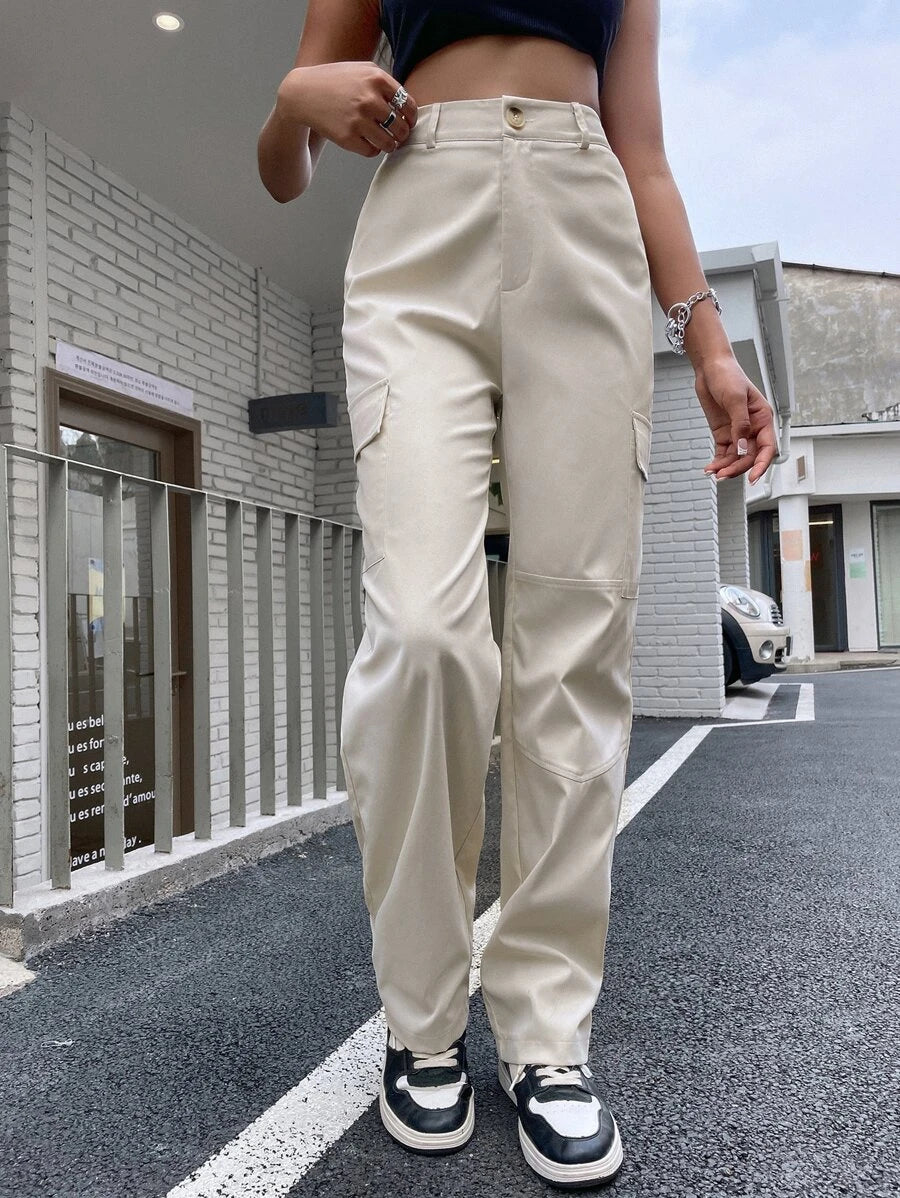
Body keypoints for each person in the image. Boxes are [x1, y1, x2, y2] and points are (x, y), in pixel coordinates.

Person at [258, 0, 777, 1188]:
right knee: (424, 636)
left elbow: (643, 149)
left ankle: (547, 1035)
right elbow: (286, 163)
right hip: (419, 230)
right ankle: (422, 1018)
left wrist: (707, 345)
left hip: (585, 216)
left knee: (574, 637)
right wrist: (297, 103)